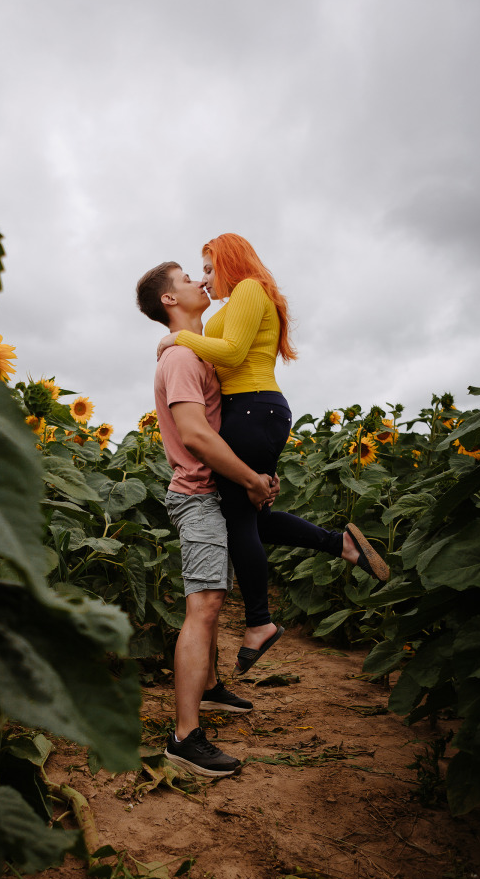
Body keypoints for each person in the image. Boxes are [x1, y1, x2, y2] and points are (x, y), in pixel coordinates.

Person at [156, 234, 389, 673]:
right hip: (253, 412)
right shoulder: (238, 301)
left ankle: (260, 623)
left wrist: (177, 340)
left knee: (241, 518)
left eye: (208, 268)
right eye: (198, 273)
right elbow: (221, 359)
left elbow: (232, 352)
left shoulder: (249, 290)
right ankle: (341, 544)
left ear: (227, 261)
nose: (205, 280)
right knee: (256, 517)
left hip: (253, 408)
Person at [136, 260, 278, 778]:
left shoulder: (195, 353)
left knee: (214, 598)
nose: (201, 282)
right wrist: (248, 478)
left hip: (214, 492)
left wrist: (251, 476)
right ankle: (184, 737)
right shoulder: (180, 361)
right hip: (196, 496)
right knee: (206, 602)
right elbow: (196, 434)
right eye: (188, 280)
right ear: (170, 300)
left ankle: (212, 686)